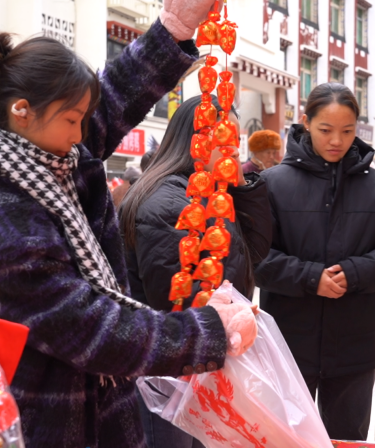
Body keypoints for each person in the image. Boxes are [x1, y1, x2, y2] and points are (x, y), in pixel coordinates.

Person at [0, 12, 258, 447]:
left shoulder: (22, 149)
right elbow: (92, 328)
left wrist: (173, 29)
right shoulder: (3, 227)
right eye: (73, 121)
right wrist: (208, 332)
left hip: (88, 398)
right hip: (46, 418)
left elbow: (111, 98)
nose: (81, 135)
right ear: (22, 112)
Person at [254, 83, 375, 441]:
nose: (336, 141)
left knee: (347, 438)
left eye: (347, 131)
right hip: (288, 344)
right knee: (285, 439)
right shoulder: (273, 184)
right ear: (306, 122)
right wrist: (311, 277)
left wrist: (353, 273)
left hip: (353, 345)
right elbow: (256, 256)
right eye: (326, 130)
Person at [119, 95, 272, 448]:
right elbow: (178, 298)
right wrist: (233, 323)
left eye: (236, 140)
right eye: (224, 140)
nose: (233, 149)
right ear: (196, 142)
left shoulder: (208, 195)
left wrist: (244, 185)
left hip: (195, 360)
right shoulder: (166, 203)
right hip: (169, 367)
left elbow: (256, 253)